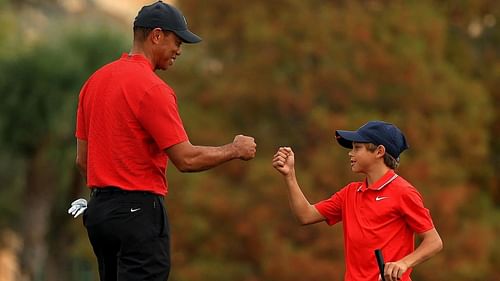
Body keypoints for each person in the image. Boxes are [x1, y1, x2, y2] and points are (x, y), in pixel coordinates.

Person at [73, 1, 256, 280]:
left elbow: (82, 160)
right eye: (177, 41)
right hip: (138, 214)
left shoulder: (94, 82)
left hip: (99, 214)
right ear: (156, 35)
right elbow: (186, 159)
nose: (179, 50)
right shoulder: (153, 88)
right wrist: (234, 149)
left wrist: (109, 198)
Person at [272, 121, 442, 281]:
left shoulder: (403, 192)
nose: (350, 153)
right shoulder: (349, 193)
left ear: (379, 151)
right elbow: (305, 215)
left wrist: (403, 263)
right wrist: (290, 175)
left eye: (357, 148)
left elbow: (433, 242)